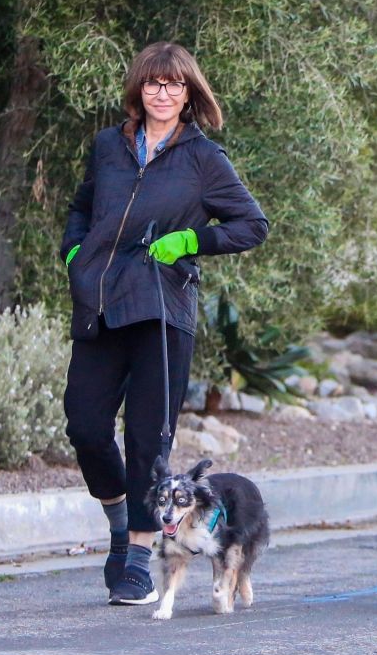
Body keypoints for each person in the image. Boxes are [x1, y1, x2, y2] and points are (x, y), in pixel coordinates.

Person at [61, 42, 268, 605]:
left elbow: (253, 224)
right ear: (139, 89)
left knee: (149, 439)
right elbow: (81, 206)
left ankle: (135, 554)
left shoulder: (204, 158)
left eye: (175, 85)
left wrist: (191, 240)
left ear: (189, 93)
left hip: (161, 310)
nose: (163, 94)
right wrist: (74, 251)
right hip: (102, 303)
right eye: (154, 84)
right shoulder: (108, 145)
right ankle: (117, 514)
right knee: (83, 424)